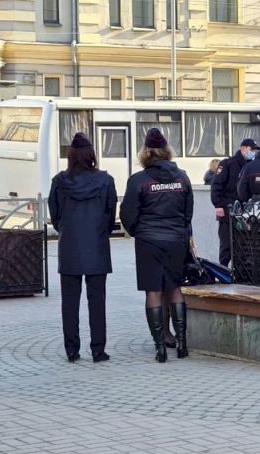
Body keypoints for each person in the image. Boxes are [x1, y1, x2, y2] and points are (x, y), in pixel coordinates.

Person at [120, 128, 193, 363]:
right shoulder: (182, 177)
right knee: (175, 288)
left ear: (145, 152)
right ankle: (182, 344)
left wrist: (140, 232)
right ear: (166, 150)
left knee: (153, 291)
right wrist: (180, 233)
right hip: (176, 240)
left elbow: (127, 214)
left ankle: (160, 347)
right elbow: (188, 213)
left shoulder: (138, 180)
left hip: (148, 242)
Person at [48, 132, 117, 363]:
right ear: (91, 155)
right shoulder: (106, 181)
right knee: (97, 301)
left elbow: (55, 217)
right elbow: (110, 215)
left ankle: (71, 349)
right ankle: (98, 349)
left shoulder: (59, 182)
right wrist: (101, 232)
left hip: (69, 247)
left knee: (69, 302)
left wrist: (67, 230)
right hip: (97, 246)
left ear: (70, 156)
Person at [210, 138, 258, 266]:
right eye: (251, 149)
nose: (253, 152)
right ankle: (224, 269)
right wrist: (218, 205)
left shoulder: (250, 165)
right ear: (243, 148)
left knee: (242, 244)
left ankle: (240, 270)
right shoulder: (228, 163)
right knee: (226, 243)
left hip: (244, 210)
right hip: (227, 208)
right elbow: (216, 185)